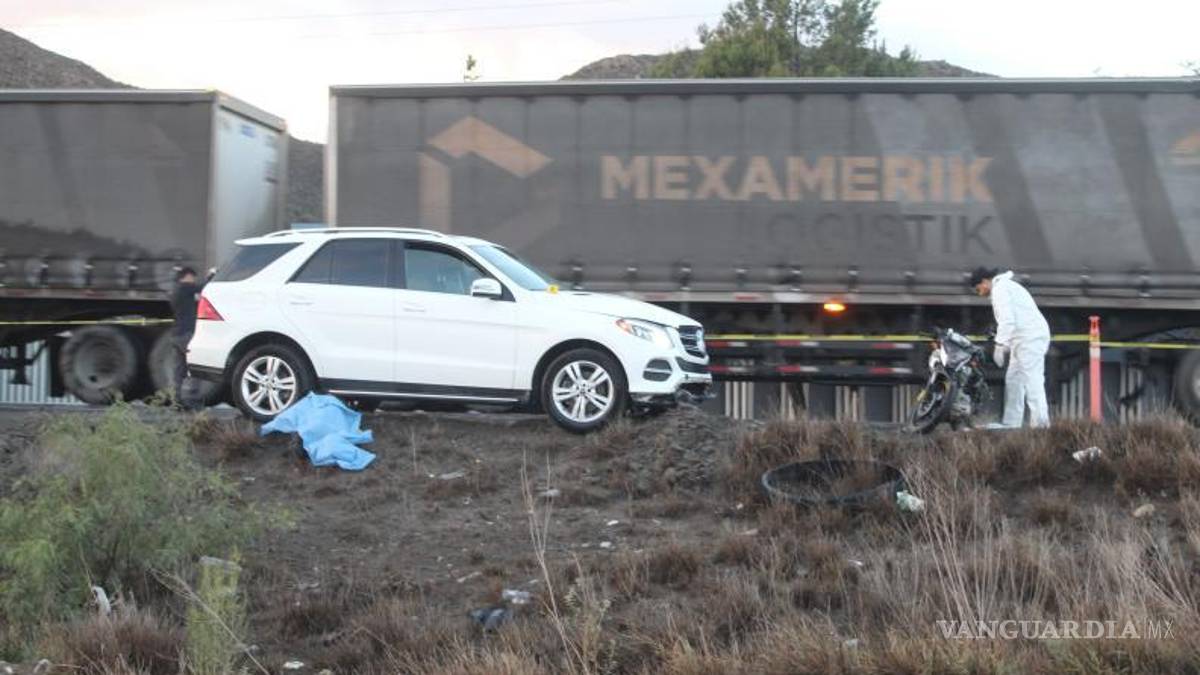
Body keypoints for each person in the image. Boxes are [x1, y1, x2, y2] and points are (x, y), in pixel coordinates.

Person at [969, 267, 1051, 428]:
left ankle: (1041, 425)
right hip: (1022, 340)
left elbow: (1008, 320)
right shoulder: (1004, 288)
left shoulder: (1001, 290)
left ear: (985, 281)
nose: (979, 294)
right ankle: (1012, 424)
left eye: (978, 289)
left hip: (1030, 339)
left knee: (1032, 381)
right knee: (1014, 380)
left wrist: (1000, 345)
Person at [169, 267, 210, 406]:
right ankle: (193, 399)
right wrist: (211, 276)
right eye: (193, 277)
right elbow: (203, 287)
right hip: (187, 334)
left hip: (177, 334)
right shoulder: (185, 288)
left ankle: (176, 399)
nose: (194, 280)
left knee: (179, 369)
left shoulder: (175, 290)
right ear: (187, 276)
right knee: (196, 366)